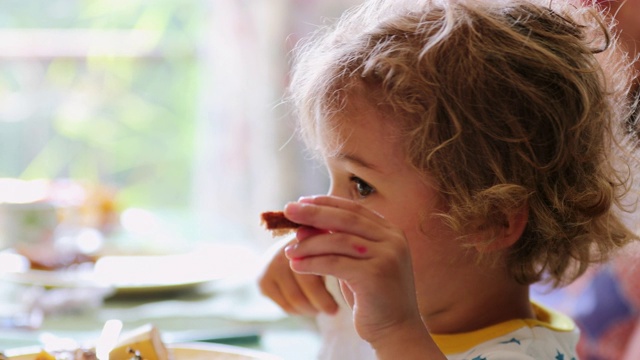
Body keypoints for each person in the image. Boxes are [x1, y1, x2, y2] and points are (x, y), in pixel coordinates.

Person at [258, 0, 640, 358]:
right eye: (333, 177)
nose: (327, 209)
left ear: (489, 220)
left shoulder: (522, 352)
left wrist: (395, 330)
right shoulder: (369, 292)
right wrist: (295, 282)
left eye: (361, 186)